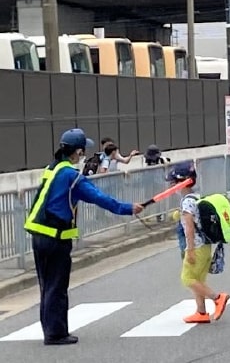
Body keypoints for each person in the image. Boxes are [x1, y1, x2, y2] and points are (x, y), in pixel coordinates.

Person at [24, 128, 145, 345]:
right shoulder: (72, 176)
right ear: (78, 152)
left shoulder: (52, 169)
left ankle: (50, 329)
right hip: (55, 238)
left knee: (47, 285)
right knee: (57, 286)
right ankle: (56, 334)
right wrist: (128, 208)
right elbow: (99, 197)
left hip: (39, 236)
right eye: (83, 151)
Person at [169, 161, 230, 323]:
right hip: (205, 246)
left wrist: (189, 250)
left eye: (174, 183)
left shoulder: (186, 202)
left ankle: (217, 298)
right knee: (199, 279)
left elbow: (189, 225)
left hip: (195, 246)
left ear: (182, 182)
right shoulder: (195, 197)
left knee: (187, 278)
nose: (172, 186)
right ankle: (201, 312)